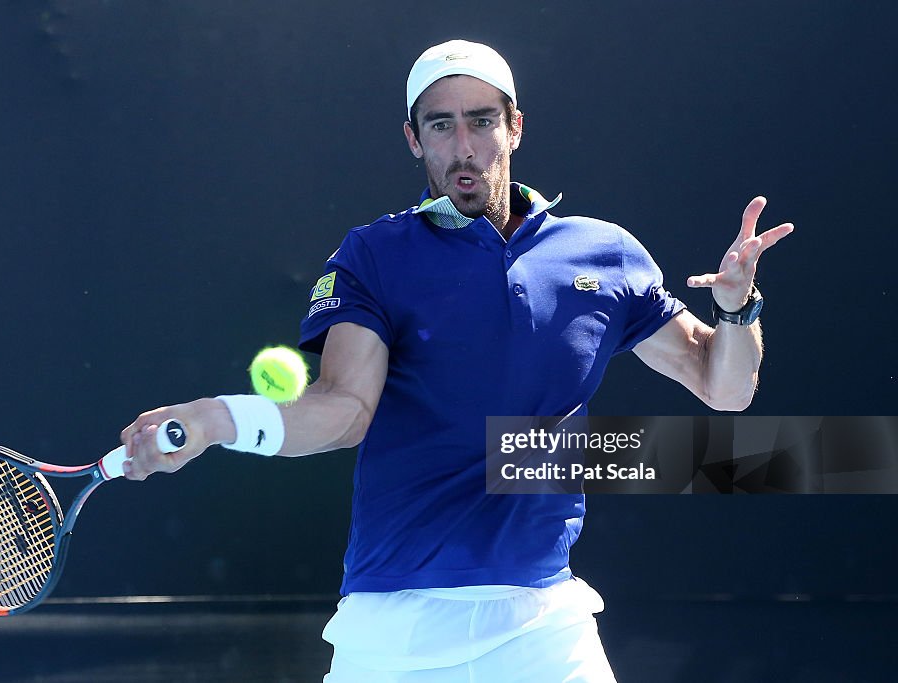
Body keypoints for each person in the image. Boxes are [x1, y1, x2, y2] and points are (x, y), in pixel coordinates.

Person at [120, 40, 793, 682]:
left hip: (543, 622)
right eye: (441, 126)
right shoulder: (374, 255)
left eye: (482, 121)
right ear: (414, 139)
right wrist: (215, 419)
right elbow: (344, 410)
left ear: (516, 127)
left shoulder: (604, 255)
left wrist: (738, 307)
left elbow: (724, 386)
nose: (464, 147)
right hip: (393, 623)